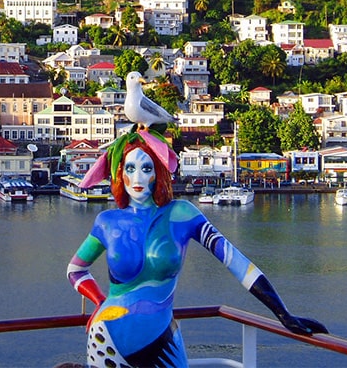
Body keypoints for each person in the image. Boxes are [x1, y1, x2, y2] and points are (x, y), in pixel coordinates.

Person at [67, 129, 327, 368]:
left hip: (162, 341)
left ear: (158, 172)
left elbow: (236, 262)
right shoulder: (107, 222)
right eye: (130, 168)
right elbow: (76, 269)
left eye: (146, 168)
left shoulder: (182, 214)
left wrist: (283, 313)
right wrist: (99, 300)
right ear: (119, 172)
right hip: (107, 341)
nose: (137, 178)